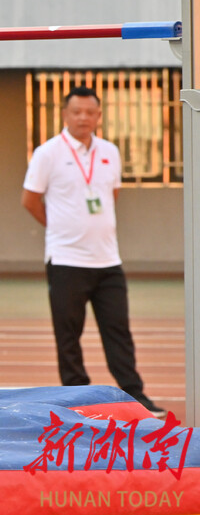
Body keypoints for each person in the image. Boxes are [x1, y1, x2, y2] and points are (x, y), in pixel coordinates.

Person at [21, 86, 166, 419]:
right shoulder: (48, 153)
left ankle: (135, 397)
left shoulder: (110, 151)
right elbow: (29, 200)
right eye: (76, 112)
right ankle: (78, 399)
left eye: (90, 112)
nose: (83, 118)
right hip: (67, 260)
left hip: (108, 260)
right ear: (65, 114)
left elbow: (111, 195)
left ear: (98, 116)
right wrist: (59, 226)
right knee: (68, 336)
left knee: (119, 331)